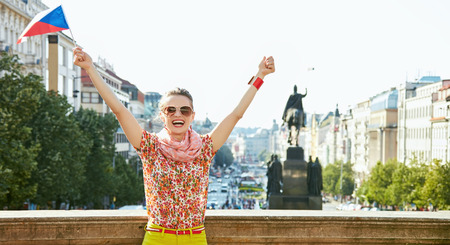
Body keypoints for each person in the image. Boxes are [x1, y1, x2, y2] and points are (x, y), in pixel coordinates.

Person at [73, 47, 275, 245]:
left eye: (184, 110)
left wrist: (260, 75)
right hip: (158, 237)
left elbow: (235, 114)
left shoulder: (204, 149)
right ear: (162, 115)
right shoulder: (150, 147)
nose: (178, 114)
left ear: (192, 116)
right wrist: (90, 68)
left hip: (195, 237)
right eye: (171, 110)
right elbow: (118, 109)